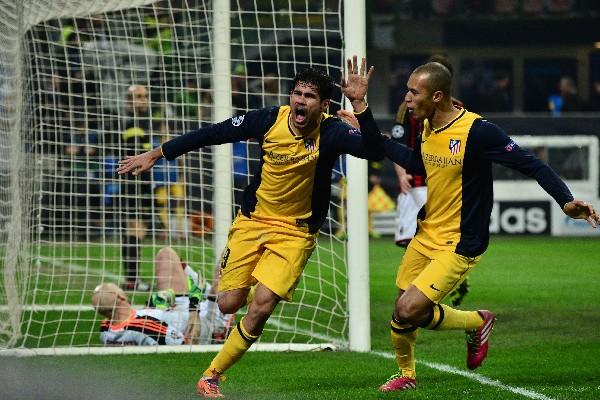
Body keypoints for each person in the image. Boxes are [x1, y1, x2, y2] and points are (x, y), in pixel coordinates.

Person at [117, 57, 380, 397]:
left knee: (262, 306)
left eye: (310, 97)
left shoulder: (332, 130)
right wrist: (158, 152)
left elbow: (374, 151)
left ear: (324, 105)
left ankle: (211, 375)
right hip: (252, 222)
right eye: (297, 93)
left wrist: (359, 105)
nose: (300, 100)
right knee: (228, 304)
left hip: (296, 232)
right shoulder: (268, 119)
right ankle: (204, 285)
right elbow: (213, 133)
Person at [348, 61, 599, 392]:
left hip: (460, 241)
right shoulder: (427, 126)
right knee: (406, 312)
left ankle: (477, 321)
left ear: (437, 96)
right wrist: (361, 109)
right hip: (427, 235)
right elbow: (413, 162)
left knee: (408, 308)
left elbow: (532, 164)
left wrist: (565, 201)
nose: (406, 98)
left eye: (413, 92)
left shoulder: (477, 132)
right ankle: (407, 375)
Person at [391, 54, 469, 307]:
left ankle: (437, 284)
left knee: (439, 236)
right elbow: (397, 143)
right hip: (414, 178)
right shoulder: (407, 107)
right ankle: (423, 290)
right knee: (412, 241)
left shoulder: (460, 111)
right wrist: (401, 173)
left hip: (439, 183)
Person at [92, 246, 233, 346]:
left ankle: (194, 279)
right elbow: (189, 344)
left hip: (174, 308)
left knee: (166, 254)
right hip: (204, 321)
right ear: (121, 298)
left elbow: (132, 324)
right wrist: (194, 304)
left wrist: (150, 305)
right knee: (223, 267)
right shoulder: (147, 327)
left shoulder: (107, 328)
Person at [120, 84, 154, 291]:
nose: (144, 100)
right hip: (135, 182)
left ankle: (132, 278)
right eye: (139, 96)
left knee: (137, 230)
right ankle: (132, 279)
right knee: (135, 229)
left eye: (146, 96)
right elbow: (134, 156)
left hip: (140, 182)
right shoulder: (133, 124)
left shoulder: (143, 122)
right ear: (129, 100)